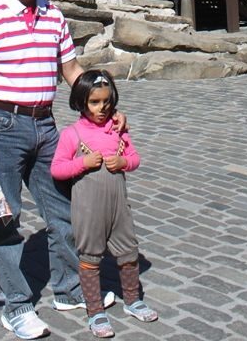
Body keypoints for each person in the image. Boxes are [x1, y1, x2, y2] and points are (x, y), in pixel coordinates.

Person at [0, 0, 117, 340]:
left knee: (63, 210)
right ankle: (16, 306)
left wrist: (104, 101)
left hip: (46, 127)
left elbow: (70, 70)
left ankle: (66, 290)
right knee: (8, 218)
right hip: (2, 127)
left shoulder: (53, 15)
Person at [51, 70, 158, 339]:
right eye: (95, 103)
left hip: (119, 206)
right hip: (88, 208)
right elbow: (57, 169)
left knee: (128, 250)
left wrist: (124, 162)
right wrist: (82, 164)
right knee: (89, 256)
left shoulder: (118, 130)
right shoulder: (72, 134)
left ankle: (133, 300)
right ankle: (94, 310)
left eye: (107, 102)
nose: (102, 108)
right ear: (80, 102)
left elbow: (134, 158)